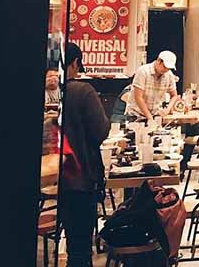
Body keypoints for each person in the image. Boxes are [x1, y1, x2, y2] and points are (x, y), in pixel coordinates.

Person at [60, 42, 110, 267]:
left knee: (72, 242)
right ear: (75, 63)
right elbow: (100, 130)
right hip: (78, 177)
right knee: (80, 246)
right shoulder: (82, 91)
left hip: (48, 180)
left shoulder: (39, 88)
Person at [125, 50, 180, 122]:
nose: (166, 70)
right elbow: (138, 97)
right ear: (159, 61)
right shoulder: (143, 71)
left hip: (155, 114)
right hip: (136, 115)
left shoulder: (169, 75)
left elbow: (174, 95)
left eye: (168, 68)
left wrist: (167, 109)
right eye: (164, 67)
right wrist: (149, 117)